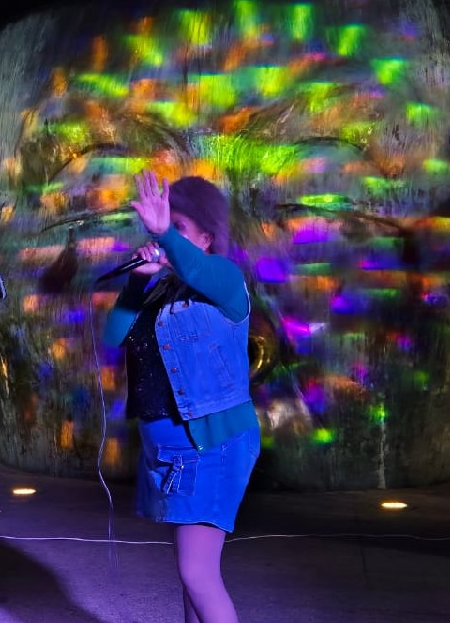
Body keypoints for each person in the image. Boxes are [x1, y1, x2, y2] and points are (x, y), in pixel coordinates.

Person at [104, 172, 260, 623]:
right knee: (192, 576)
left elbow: (191, 267)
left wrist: (162, 233)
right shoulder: (160, 293)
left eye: (179, 230)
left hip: (211, 444)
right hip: (169, 450)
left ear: (207, 238)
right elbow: (115, 334)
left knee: (197, 574)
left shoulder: (227, 282)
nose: (165, 241)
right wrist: (136, 282)